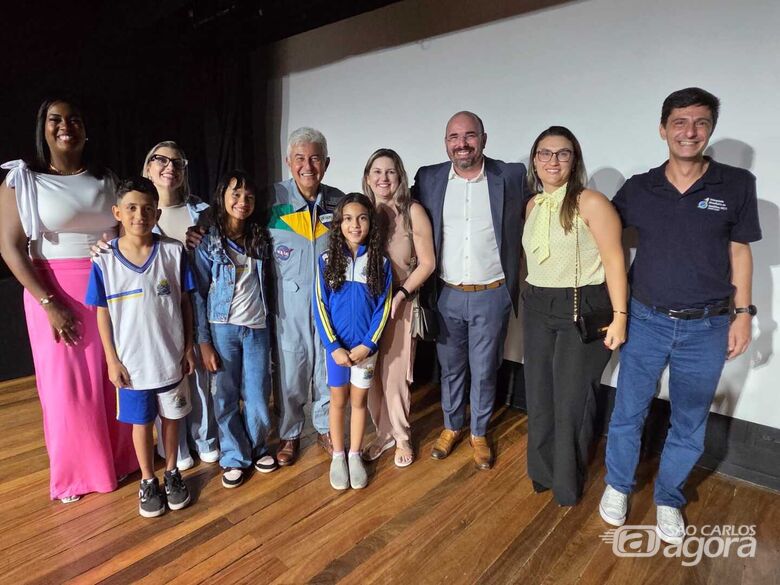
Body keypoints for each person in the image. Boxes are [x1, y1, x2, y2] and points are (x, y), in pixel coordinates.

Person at [599, 88, 761, 544]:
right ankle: (618, 485)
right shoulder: (640, 187)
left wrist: (744, 314)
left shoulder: (736, 184)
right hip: (646, 319)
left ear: (710, 129)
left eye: (700, 123)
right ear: (663, 129)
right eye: (680, 122)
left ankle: (669, 497)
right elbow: (604, 230)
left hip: (707, 326)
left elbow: (740, 251)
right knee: (629, 411)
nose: (690, 132)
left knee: (689, 420)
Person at [0, 97, 137, 503]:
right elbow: (9, 247)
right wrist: (48, 302)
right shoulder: (22, 180)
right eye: (55, 119)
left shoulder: (106, 178)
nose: (65, 126)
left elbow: (123, 230)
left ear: (85, 128)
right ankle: (76, 475)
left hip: (108, 287)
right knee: (68, 389)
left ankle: (122, 459)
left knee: (113, 379)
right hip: (54, 291)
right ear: (42, 128)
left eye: (74, 119)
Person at [413, 111, 527, 470]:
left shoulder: (511, 176)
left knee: (485, 368)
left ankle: (478, 432)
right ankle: (451, 426)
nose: (462, 144)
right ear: (446, 142)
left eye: (469, 135)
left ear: (484, 139)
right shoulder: (428, 178)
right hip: (446, 293)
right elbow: (404, 213)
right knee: (450, 368)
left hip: (491, 293)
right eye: (454, 137)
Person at [522, 126, 627, 506]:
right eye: (545, 153)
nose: (553, 161)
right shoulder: (533, 205)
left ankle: (567, 484)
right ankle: (543, 473)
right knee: (539, 395)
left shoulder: (591, 202)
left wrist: (620, 317)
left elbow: (614, 261)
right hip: (537, 306)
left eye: (562, 153)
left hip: (580, 306)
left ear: (574, 160)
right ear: (535, 160)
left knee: (571, 400)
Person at [85, 177, 194, 517]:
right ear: (117, 212)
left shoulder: (174, 252)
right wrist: (111, 359)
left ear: (157, 213)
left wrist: (188, 346)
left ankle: (172, 471)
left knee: (172, 418)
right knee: (141, 423)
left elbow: (186, 303)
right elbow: (102, 313)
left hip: (170, 357)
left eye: (147, 209)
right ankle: (148, 479)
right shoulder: (104, 260)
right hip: (132, 365)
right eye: (131, 208)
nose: (139, 215)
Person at [192, 170, 277, 488]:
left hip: (257, 328)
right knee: (225, 396)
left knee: (257, 395)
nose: (243, 201)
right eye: (236, 194)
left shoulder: (261, 238)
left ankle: (257, 447)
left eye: (249, 196)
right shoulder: (208, 242)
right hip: (222, 329)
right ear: (222, 197)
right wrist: (203, 341)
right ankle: (233, 456)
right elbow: (199, 294)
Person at [267, 127, 345, 465]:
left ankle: (326, 428)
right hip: (289, 305)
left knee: (327, 367)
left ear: (326, 163)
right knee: (291, 368)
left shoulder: (339, 202)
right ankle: (289, 433)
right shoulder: (271, 200)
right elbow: (231, 219)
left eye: (315, 158)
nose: (307, 166)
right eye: (300, 158)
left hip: (329, 303)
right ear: (289, 162)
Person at [142, 141, 219, 469]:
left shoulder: (203, 211)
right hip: (157, 311)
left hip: (197, 308)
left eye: (177, 162)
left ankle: (206, 437)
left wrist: (205, 241)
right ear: (148, 168)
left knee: (199, 377)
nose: (169, 167)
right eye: (161, 160)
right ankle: (176, 444)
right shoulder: (138, 212)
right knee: (167, 379)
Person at [361, 149, 435, 467]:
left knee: (394, 375)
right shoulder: (362, 211)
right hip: (366, 306)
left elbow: (428, 262)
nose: (384, 178)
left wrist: (402, 294)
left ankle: (402, 436)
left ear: (400, 176)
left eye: (390, 172)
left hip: (398, 304)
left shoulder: (412, 211)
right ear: (368, 177)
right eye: (377, 172)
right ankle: (383, 434)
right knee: (370, 374)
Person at [313, 193, 392, 489]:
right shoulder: (326, 261)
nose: (355, 225)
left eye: (361, 218)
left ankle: (355, 454)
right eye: (347, 219)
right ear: (338, 223)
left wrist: (368, 345)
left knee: (358, 403)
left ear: (370, 223)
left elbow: (383, 308)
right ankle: (338, 455)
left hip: (364, 351)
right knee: (338, 401)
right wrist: (334, 347)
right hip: (337, 351)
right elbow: (319, 305)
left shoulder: (381, 263)